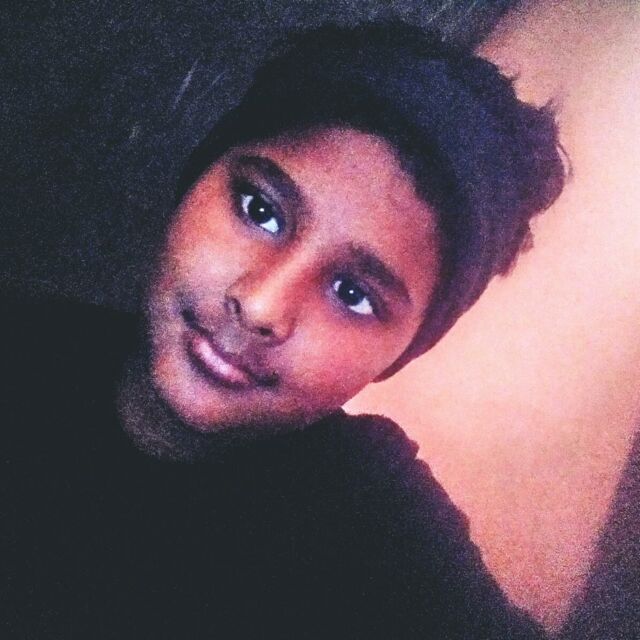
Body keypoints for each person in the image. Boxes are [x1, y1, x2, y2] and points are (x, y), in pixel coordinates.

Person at [1, 22, 564, 639]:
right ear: (195, 181)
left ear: (402, 352)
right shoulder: (22, 346)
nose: (261, 305)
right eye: (260, 210)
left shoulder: (366, 525)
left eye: (353, 294)